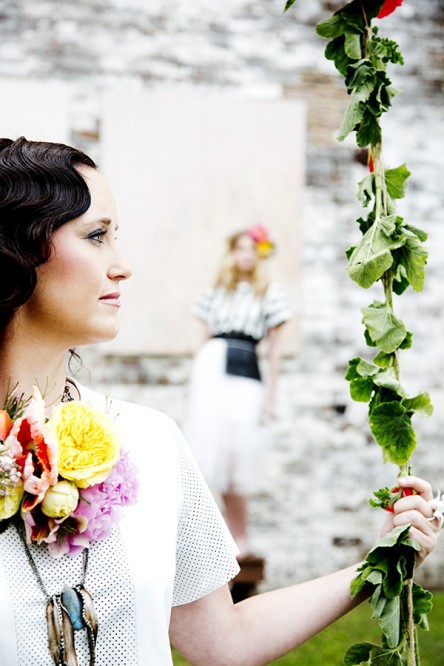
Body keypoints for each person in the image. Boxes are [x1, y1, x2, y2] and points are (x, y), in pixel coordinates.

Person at [0, 137, 440, 666]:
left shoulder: (150, 441)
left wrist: (381, 562)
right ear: (17, 250)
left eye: (117, 237)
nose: (122, 266)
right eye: (96, 236)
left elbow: (222, 642)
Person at [183, 227, 290, 557]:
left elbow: (274, 352)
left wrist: (270, 397)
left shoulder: (269, 294)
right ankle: (215, 539)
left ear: (260, 254)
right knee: (208, 452)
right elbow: (202, 342)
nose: (245, 254)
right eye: (239, 248)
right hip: (212, 366)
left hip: (245, 369)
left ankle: (240, 536)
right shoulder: (215, 293)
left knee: (235, 454)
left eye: (252, 248)